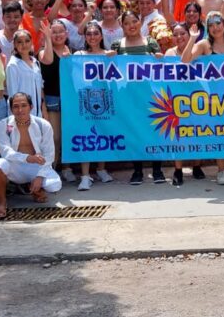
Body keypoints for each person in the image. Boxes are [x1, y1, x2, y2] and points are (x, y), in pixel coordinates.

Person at [180, 11, 224, 185]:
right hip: (215, 98)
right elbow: (185, 61)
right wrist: (192, 38)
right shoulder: (204, 45)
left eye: (218, 23)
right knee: (220, 135)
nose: (215, 27)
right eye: (211, 25)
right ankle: (221, 170)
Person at [112, 11, 166, 185]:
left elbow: (163, 69)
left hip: (150, 94)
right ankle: (137, 171)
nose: (132, 25)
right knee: (134, 131)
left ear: (140, 22)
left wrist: (159, 59)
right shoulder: (117, 45)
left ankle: (157, 170)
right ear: (122, 26)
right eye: (127, 23)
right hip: (129, 96)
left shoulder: (150, 43)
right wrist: (109, 58)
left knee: (155, 130)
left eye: (134, 21)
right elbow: (109, 69)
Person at [0, 93, 62, 217]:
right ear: (11, 109)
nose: (20, 110)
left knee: (54, 185)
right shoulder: (4, 124)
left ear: (31, 107)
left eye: (24, 105)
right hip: (15, 166)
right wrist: (27, 157)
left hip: (37, 167)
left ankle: (36, 188)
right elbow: (5, 151)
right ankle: (2, 202)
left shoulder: (43, 125)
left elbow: (49, 154)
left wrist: (40, 176)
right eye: (16, 106)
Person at [71, 22, 115, 190]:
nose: (92, 37)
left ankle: (101, 170)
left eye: (95, 33)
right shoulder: (79, 54)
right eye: (89, 34)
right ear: (85, 37)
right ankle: (85, 175)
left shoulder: (108, 54)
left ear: (101, 36)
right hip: (85, 101)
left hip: (104, 100)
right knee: (85, 137)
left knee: (104, 134)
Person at [38, 20, 71, 180]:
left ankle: (67, 168)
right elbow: (49, 60)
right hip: (52, 99)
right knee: (55, 138)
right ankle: (51, 170)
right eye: (54, 32)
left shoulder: (71, 51)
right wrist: (47, 40)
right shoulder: (43, 52)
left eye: (60, 31)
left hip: (70, 100)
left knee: (68, 135)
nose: (57, 35)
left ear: (67, 33)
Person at [5, 29, 44, 118]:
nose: (24, 45)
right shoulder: (13, 65)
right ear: (14, 44)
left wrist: (43, 108)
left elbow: (40, 88)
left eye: (27, 41)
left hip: (37, 114)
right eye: (20, 42)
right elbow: (13, 94)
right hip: (21, 115)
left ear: (31, 42)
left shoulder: (35, 62)